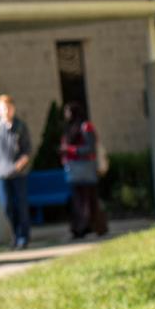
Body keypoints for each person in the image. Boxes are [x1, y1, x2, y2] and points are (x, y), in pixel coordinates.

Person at [0, 94, 33, 249]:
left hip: (18, 173)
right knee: (7, 205)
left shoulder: (20, 126)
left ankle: (24, 237)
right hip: (3, 174)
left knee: (21, 205)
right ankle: (15, 235)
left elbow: (27, 150)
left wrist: (19, 165)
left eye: (8, 108)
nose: (6, 111)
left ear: (13, 109)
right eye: (2, 108)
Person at [60, 102, 109, 238]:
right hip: (73, 170)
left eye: (68, 112)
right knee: (78, 201)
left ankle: (96, 227)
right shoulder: (69, 128)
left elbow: (91, 148)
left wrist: (71, 150)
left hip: (86, 168)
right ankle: (80, 228)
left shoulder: (86, 127)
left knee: (90, 200)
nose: (66, 115)